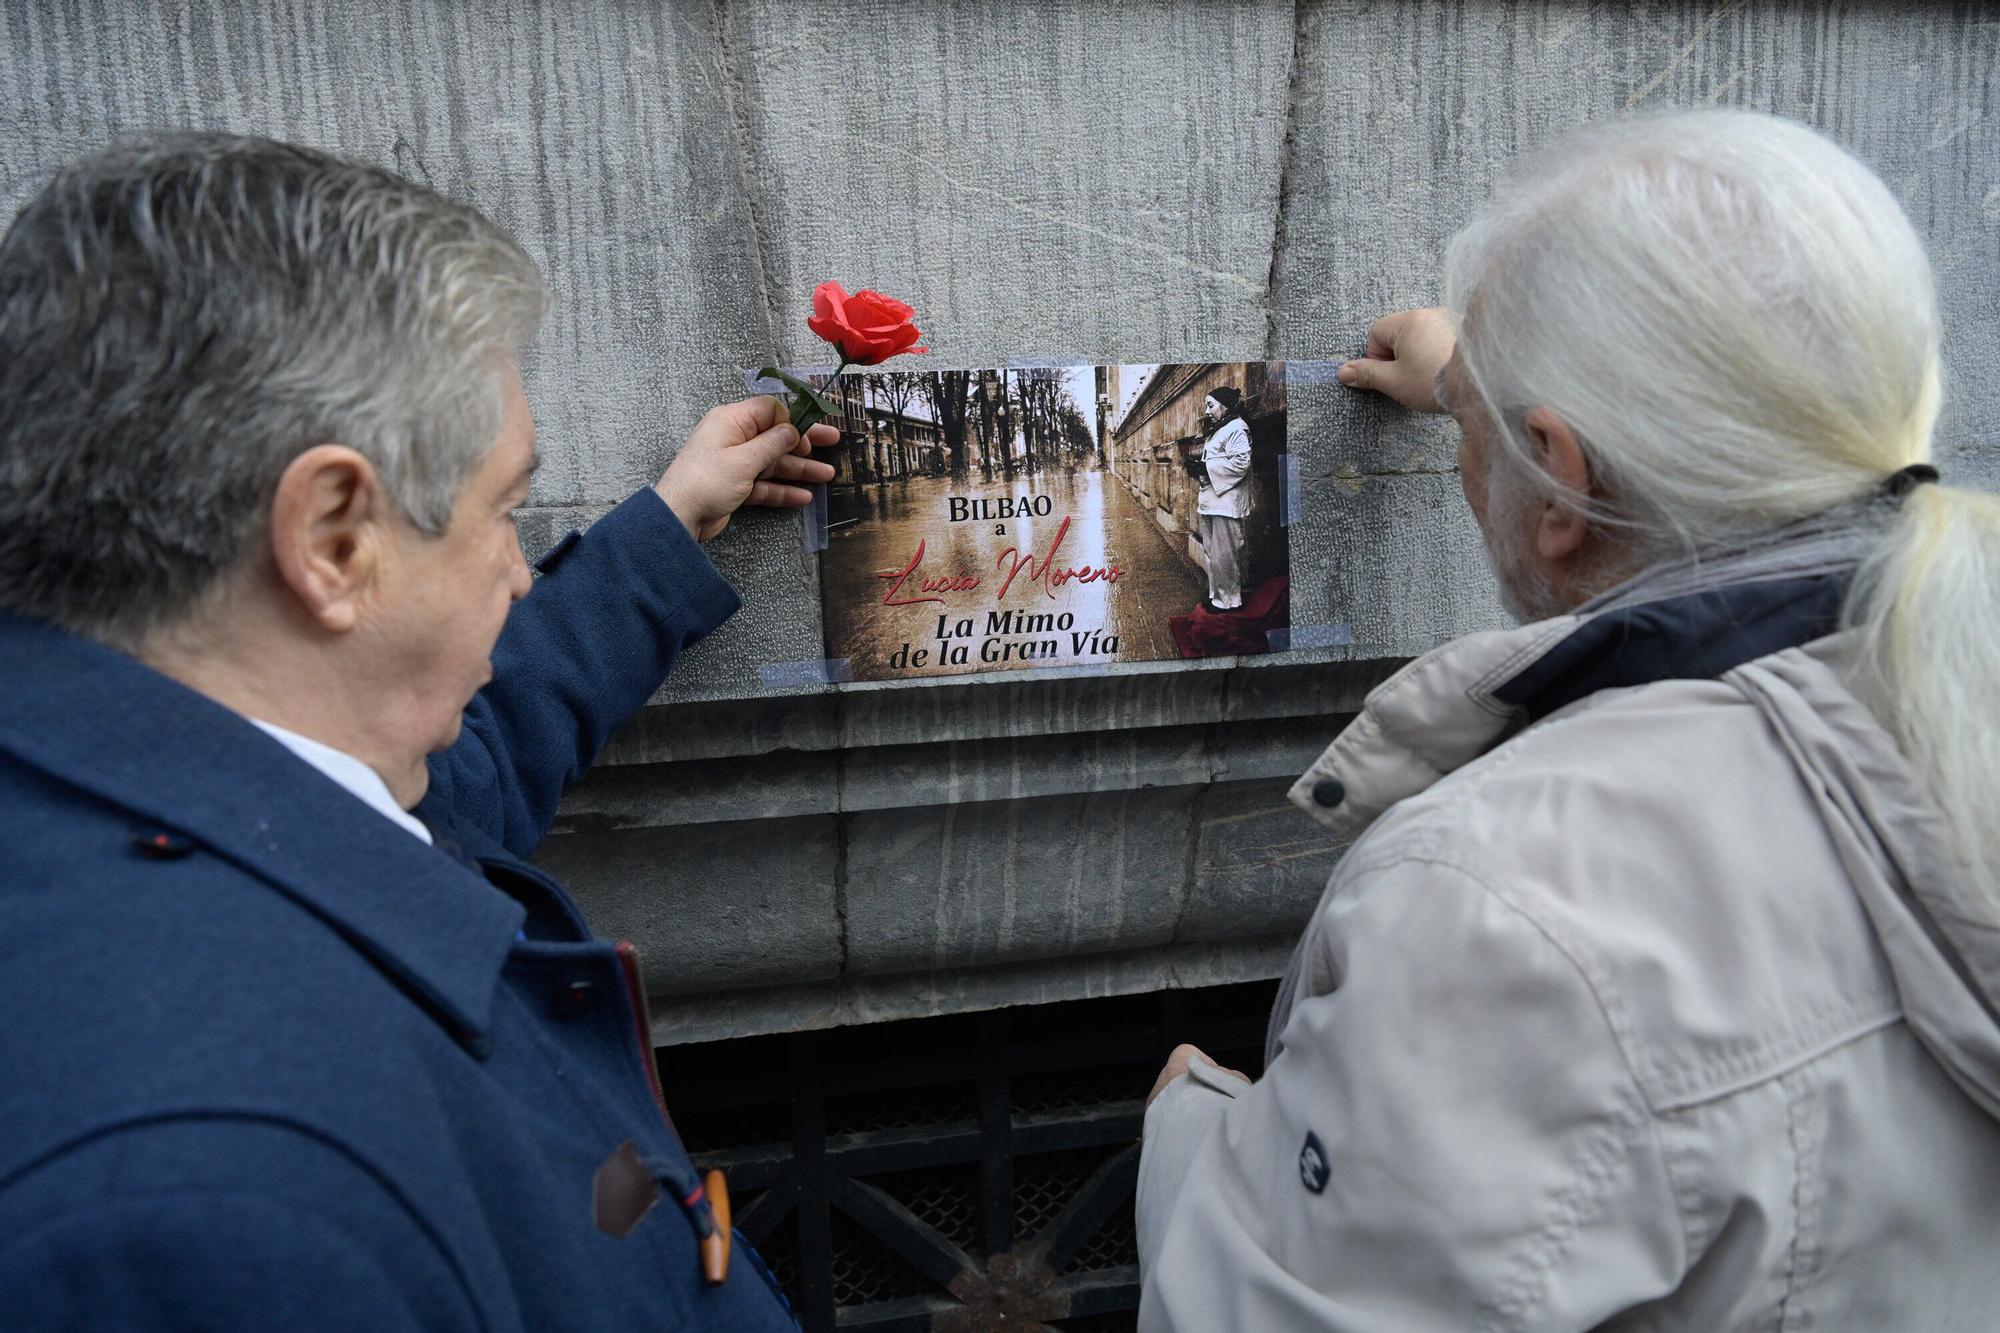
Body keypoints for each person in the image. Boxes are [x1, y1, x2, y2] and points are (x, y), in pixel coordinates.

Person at [1137, 109, 2000, 1329]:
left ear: (1560, 475)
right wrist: (1481, 384)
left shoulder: (1501, 908)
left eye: (1481, 426)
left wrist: (1189, 1138)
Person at [0, 135, 839, 1330]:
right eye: (503, 510)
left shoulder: (154, 769)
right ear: (334, 538)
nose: (515, 568)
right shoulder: (209, 1201)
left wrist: (667, 530)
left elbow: (464, 761)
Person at [1183, 385, 1254, 610]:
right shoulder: (1219, 429)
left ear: (1225, 406)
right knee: (1212, 553)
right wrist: (1198, 468)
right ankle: (1217, 597)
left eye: (1210, 405)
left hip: (1226, 504)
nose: (1207, 411)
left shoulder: (1237, 428)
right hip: (1211, 502)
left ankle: (1230, 601)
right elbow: (1215, 462)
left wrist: (1205, 468)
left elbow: (1241, 464)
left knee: (1225, 555)